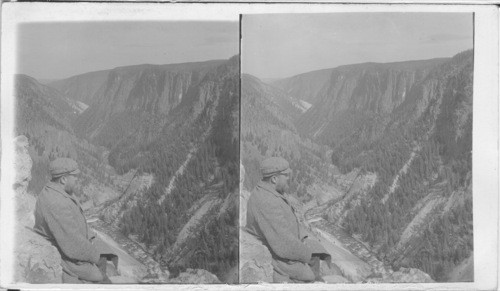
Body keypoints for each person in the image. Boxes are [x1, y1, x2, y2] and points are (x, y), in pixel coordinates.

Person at [245, 157, 330, 283]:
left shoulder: (268, 191)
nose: (289, 178)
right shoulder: (266, 201)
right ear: (274, 179)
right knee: (311, 271)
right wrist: (307, 252)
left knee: (316, 248)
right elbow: (284, 244)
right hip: (278, 256)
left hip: (281, 245)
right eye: (286, 175)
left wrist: (304, 239)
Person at [34, 158, 111, 283]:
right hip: (68, 256)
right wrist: (95, 255)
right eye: (75, 176)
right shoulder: (56, 202)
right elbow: (73, 244)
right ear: (63, 179)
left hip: (71, 246)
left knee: (106, 253)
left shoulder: (59, 191)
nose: (77, 179)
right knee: (102, 276)